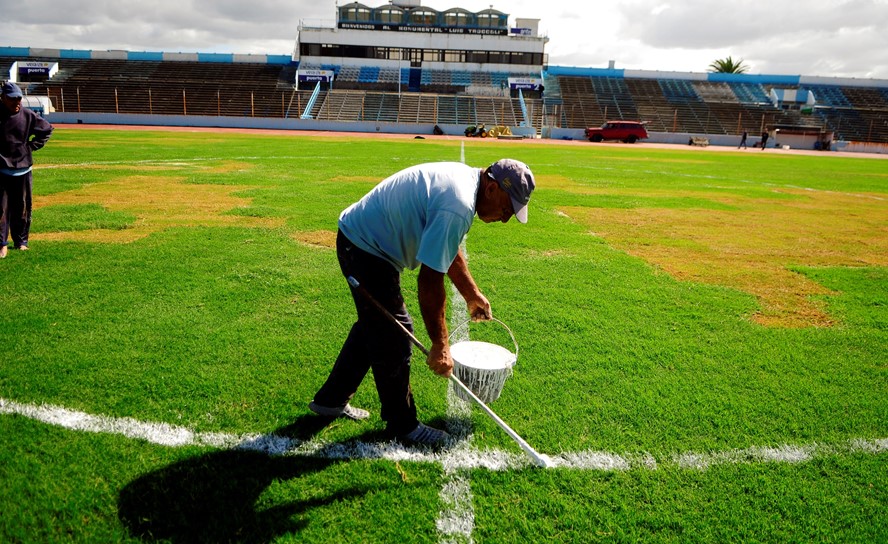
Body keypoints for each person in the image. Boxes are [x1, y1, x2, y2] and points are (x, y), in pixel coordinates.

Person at [309, 159, 536, 447]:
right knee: (395, 331)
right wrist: (440, 344)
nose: (505, 218)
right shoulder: (458, 203)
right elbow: (430, 281)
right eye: (507, 208)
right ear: (492, 188)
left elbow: (445, 248)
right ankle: (403, 426)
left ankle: (330, 400)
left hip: (365, 243)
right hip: (364, 247)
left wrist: (471, 294)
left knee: (376, 324)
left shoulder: (466, 187)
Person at [1, 81, 53, 258]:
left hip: (22, 168)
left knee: (22, 207)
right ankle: (2, 244)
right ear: (3, 98)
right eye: (12, 99)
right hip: (1, 169)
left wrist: (31, 146)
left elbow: (46, 129)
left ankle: (21, 241)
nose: (17, 103)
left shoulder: (28, 115)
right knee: (0, 209)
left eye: (19, 99)